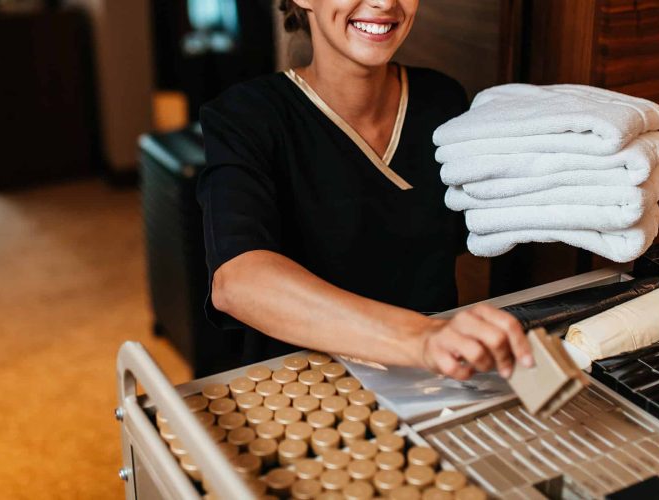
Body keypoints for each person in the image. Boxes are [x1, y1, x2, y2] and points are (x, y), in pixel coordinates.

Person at [197, 0, 533, 380]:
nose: (385, 3)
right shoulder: (246, 117)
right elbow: (238, 281)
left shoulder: (442, 99)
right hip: (301, 393)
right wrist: (422, 338)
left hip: (434, 384)